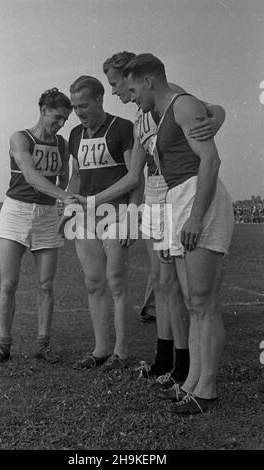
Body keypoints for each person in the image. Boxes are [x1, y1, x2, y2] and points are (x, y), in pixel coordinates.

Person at [73, 51, 226, 389]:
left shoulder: (166, 99)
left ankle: (185, 364)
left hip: (177, 190)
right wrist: (93, 202)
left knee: (179, 288)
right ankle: (166, 359)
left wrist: (217, 117)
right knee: (162, 283)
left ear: (136, 79)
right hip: (160, 197)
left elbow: (206, 110)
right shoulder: (141, 115)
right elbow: (132, 176)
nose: (116, 91)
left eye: (116, 84)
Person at [122, 53, 234, 414]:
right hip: (176, 198)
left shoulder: (182, 105)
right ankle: (192, 382)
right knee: (192, 304)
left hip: (197, 198)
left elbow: (211, 161)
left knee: (203, 303)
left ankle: (208, 389)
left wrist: (196, 217)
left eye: (134, 87)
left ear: (149, 81)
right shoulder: (155, 116)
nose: (132, 94)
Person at [0, 88, 74, 364]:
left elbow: (65, 179)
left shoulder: (62, 144)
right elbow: (31, 175)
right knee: (9, 283)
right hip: (16, 211)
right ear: (43, 110)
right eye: (57, 117)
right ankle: (4, 345)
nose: (61, 124)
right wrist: (64, 196)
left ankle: (42, 344)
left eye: (65, 120)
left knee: (46, 284)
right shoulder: (20, 138)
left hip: (47, 215)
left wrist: (64, 202)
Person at [64, 75, 140, 371]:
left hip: (117, 213)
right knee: (93, 282)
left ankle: (121, 353)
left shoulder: (122, 128)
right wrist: (69, 205)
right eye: (74, 107)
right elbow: (77, 176)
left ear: (99, 99)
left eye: (83, 105)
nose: (79, 112)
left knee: (117, 283)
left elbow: (135, 177)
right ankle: (100, 349)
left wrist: (133, 215)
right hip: (85, 216)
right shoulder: (74, 135)